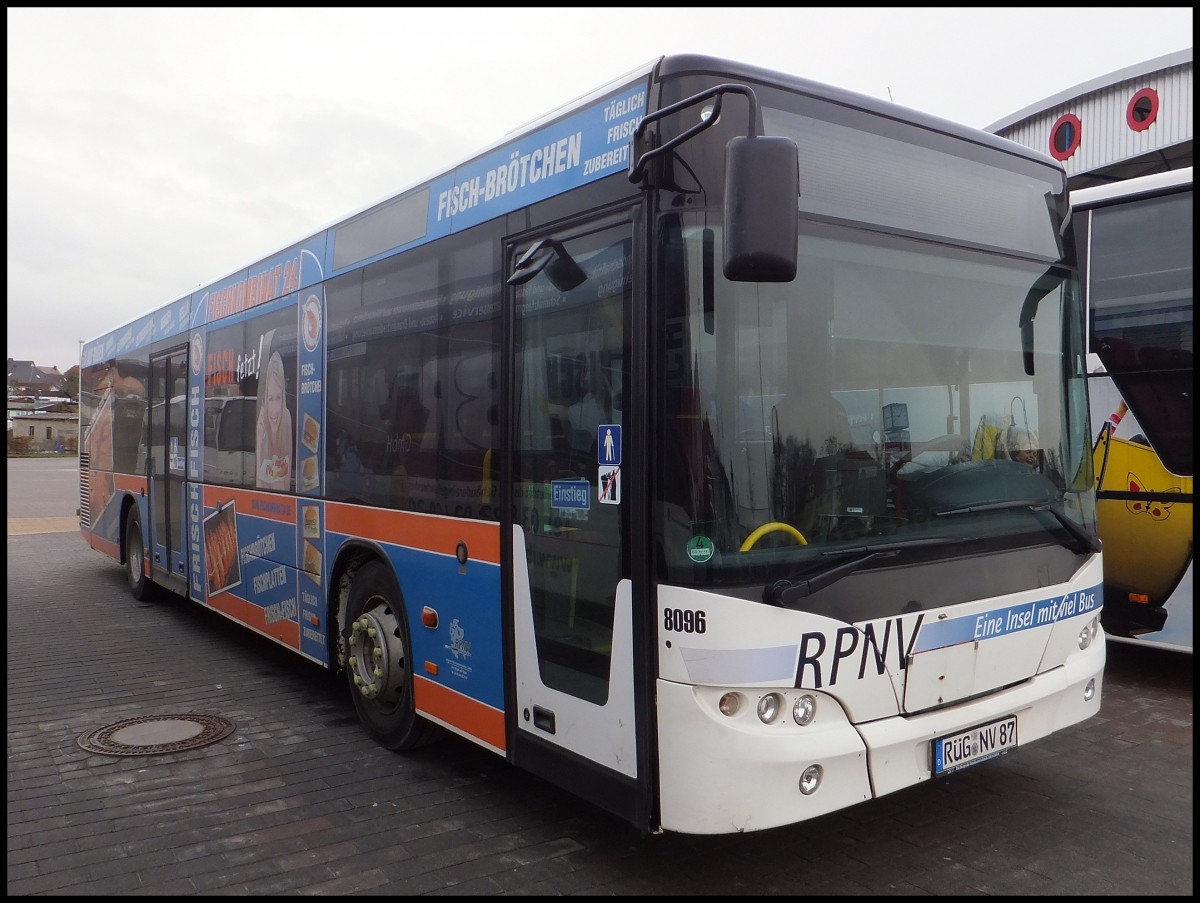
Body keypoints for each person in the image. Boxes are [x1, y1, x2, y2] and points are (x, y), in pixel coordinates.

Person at [255, 352, 292, 490]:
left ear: (284, 399)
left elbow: (287, 487)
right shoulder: (261, 426)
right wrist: (259, 443)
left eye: (278, 398)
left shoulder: (286, 417)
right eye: (270, 399)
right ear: (265, 400)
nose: (275, 410)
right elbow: (258, 489)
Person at [567, 357, 611, 452]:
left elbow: (568, 413)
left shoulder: (597, 405)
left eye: (589, 370)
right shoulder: (589, 398)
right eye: (585, 371)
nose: (585, 378)